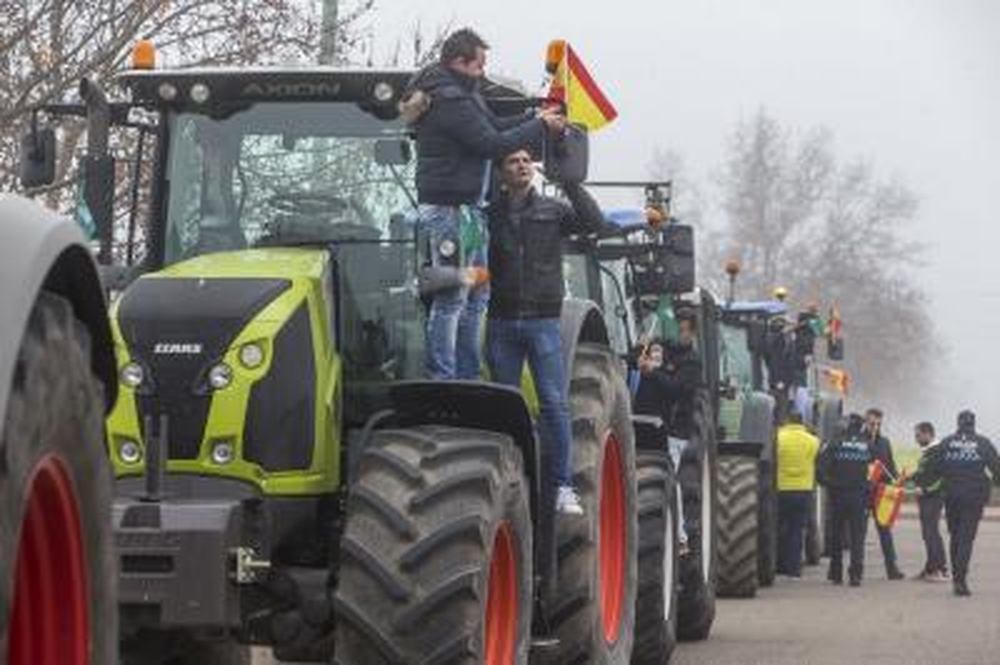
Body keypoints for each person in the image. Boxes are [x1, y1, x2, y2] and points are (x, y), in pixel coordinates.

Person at [399, 28, 566, 380]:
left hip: (468, 212)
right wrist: (538, 125)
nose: (483, 71)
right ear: (460, 62)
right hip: (450, 212)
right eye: (480, 64)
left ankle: (466, 372)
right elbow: (491, 144)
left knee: (477, 293)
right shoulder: (449, 99)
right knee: (453, 296)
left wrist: (536, 115)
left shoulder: (463, 94)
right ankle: (444, 376)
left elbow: (495, 125)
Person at [484, 148, 605, 515]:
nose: (521, 165)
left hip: (543, 320)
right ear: (501, 173)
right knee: (503, 403)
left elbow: (593, 221)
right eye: (512, 161)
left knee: (553, 402)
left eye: (525, 161)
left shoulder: (553, 211)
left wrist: (570, 182)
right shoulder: (489, 215)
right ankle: (510, 476)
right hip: (502, 320)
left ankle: (563, 486)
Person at [633, 310, 703, 552]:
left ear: (693, 332)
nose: (681, 334)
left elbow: (675, 389)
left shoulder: (692, 362)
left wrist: (652, 371)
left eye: (686, 330)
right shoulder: (669, 350)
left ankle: (681, 536)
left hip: (676, 430)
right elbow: (650, 353)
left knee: (671, 477)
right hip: (656, 425)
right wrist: (640, 350)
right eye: (679, 329)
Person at [914, 410, 1000, 596]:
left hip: (952, 496)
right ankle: (960, 579)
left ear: (958, 423)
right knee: (966, 538)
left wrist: (923, 485)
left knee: (955, 535)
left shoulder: (946, 443)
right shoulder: (983, 443)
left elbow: (932, 470)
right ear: (973, 424)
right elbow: (997, 470)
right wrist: (991, 484)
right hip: (974, 498)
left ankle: (957, 576)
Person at [817, 413, 871, 586]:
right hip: (859, 497)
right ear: (861, 426)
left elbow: (820, 468)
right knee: (857, 537)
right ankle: (856, 574)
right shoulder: (868, 445)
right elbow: (877, 470)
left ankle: (836, 573)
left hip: (838, 495)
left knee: (837, 535)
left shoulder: (834, 442)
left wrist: (829, 484)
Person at [775, 410, 820, 578]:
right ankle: (794, 570)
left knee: (780, 528)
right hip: (803, 491)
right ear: (802, 422)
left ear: (787, 420)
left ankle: (780, 565)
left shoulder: (778, 437)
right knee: (796, 531)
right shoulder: (813, 441)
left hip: (782, 489)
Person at [863, 407, 905, 580]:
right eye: (872, 423)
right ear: (866, 422)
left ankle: (892, 568)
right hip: (863, 491)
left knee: (885, 531)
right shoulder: (859, 440)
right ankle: (856, 570)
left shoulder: (884, 442)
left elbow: (890, 465)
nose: (875, 427)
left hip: (881, 492)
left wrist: (896, 480)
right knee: (859, 532)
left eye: (878, 424)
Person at [913, 421, 948, 582]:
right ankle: (930, 568)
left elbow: (942, 477)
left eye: (918, 435)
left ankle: (940, 569)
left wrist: (926, 490)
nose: (916, 438)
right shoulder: (927, 451)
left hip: (933, 498)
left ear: (928, 434)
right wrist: (909, 477)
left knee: (931, 533)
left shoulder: (939, 450)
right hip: (924, 498)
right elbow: (924, 472)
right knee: (927, 534)